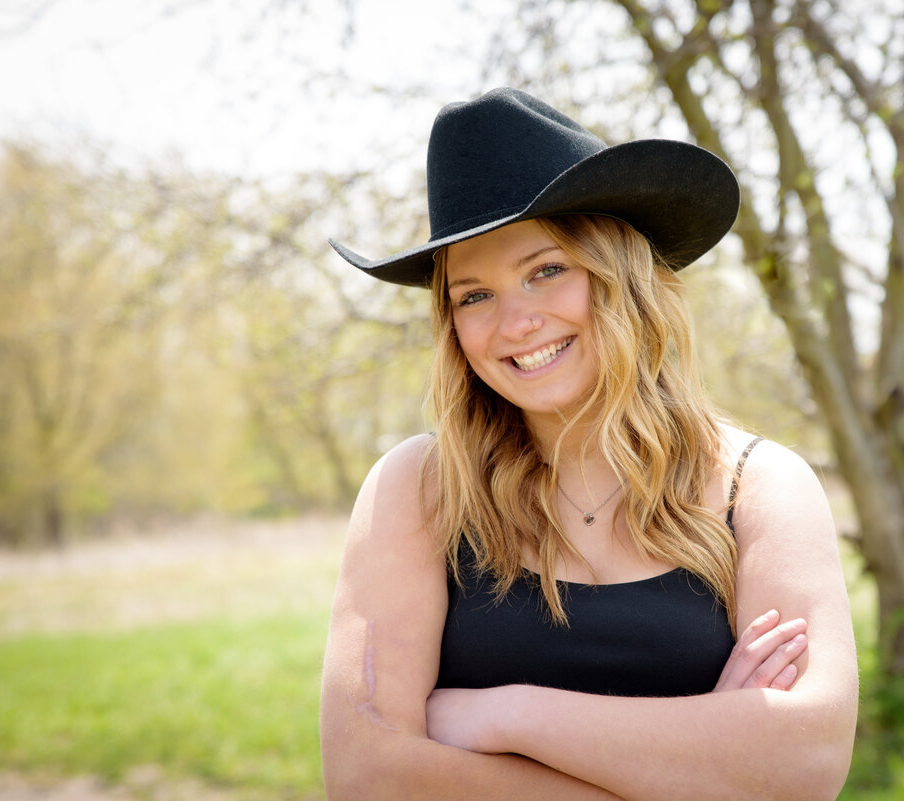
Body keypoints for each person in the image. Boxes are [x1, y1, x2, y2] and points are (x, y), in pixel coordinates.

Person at [319, 87, 858, 801]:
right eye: (473, 295)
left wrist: (503, 713)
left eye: (546, 271)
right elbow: (369, 776)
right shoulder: (418, 489)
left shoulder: (757, 487)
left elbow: (804, 763)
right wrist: (703, 761)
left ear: (621, 277)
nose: (515, 322)